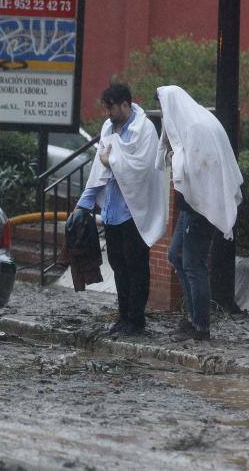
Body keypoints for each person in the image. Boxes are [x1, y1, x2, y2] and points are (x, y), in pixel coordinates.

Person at [77, 83, 168, 335]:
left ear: (125, 105)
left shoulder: (144, 129)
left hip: (134, 212)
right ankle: (123, 314)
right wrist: (84, 203)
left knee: (136, 265)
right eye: (105, 108)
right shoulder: (108, 127)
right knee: (117, 264)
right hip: (112, 210)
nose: (107, 113)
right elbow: (99, 167)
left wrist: (113, 160)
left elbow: (142, 167)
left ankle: (136, 319)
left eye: (111, 108)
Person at [155, 85, 243, 341]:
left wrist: (174, 158)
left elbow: (195, 166)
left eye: (162, 108)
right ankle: (193, 316)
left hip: (200, 207)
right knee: (176, 255)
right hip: (192, 206)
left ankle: (200, 325)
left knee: (194, 265)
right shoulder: (195, 121)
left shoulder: (196, 128)